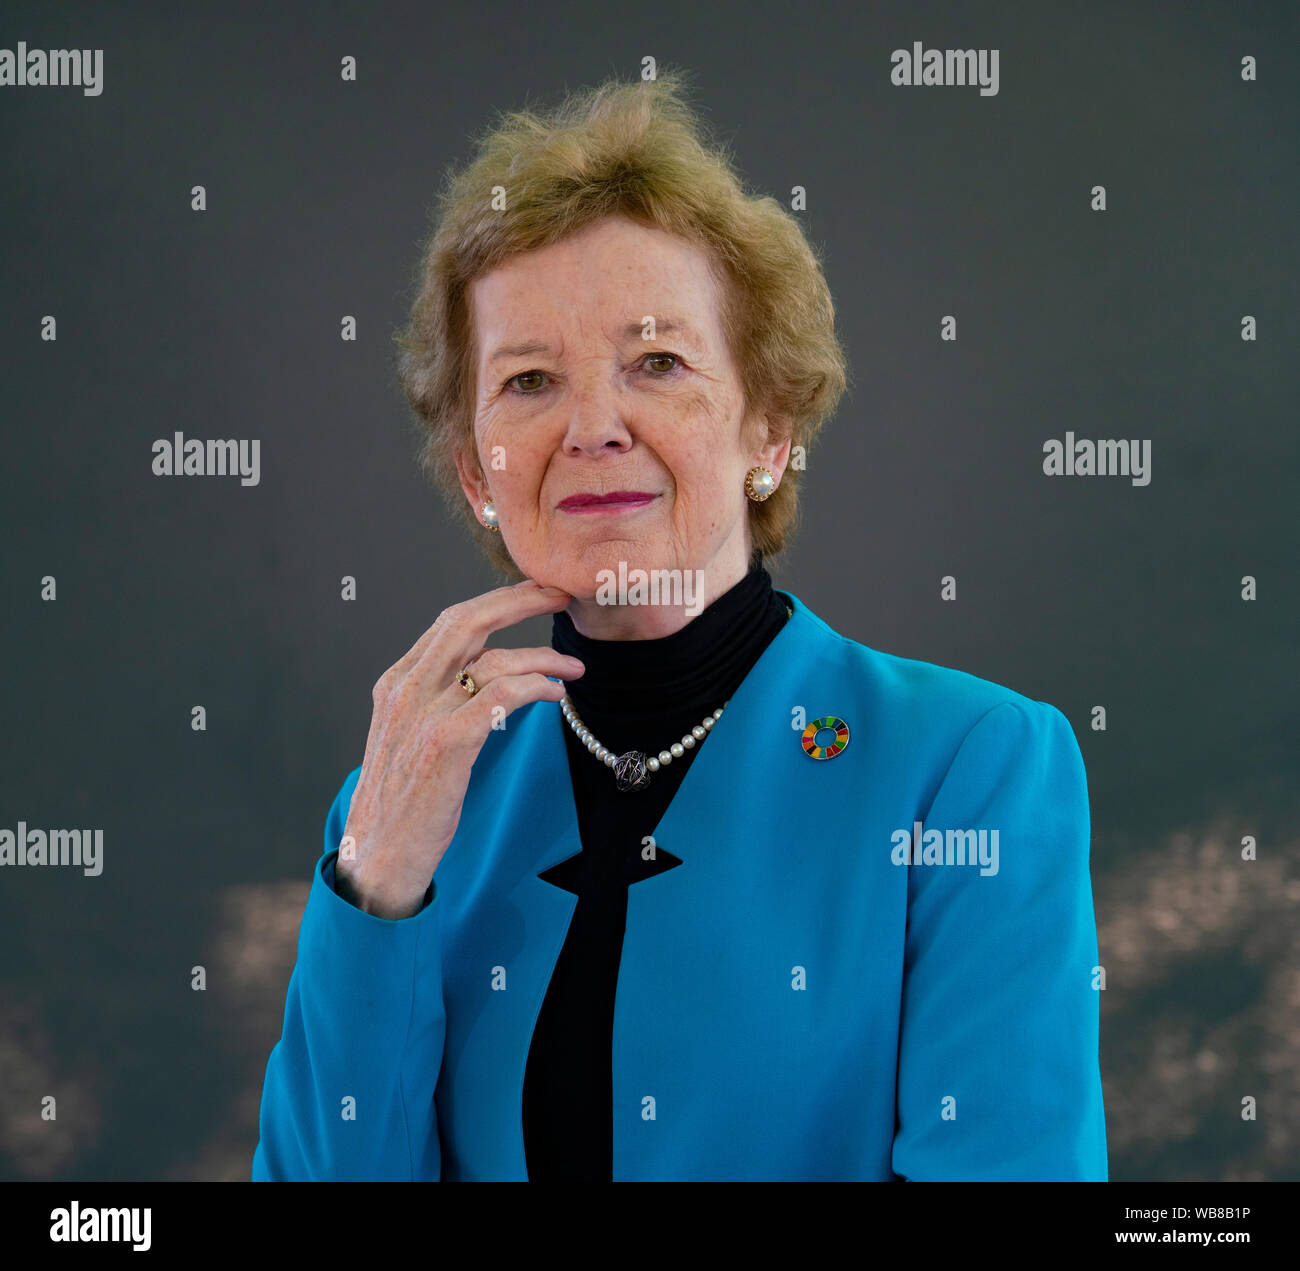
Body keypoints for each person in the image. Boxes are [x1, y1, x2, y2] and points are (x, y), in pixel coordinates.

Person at [251, 70, 1107, 1181]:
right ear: (474, 472)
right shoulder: (413, 793)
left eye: (656, 362)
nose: (593, 426)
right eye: (527, 381)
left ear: (767, 428)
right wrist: (377, 885)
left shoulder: (967, 766)